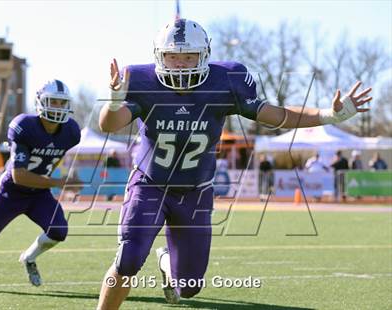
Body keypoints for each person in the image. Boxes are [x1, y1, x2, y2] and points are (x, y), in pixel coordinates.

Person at [96, 18, 372, 309]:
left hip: (195, 191)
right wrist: (113, 103)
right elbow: (110, 125)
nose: (180, 64)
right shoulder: (139, 80)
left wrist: (327, 115)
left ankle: (166, 262)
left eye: (189, 56)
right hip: (150, 185)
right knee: (127, 261)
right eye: (172, 56)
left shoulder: (226, 80)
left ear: (204, 55)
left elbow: (276, 115)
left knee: (188, 287)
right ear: (159, 56)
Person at [0, 79, 81, 287]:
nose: (57, 108)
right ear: (40, 102)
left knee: (59, 231)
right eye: (53, 102)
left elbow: (54, 157)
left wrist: (54, 179)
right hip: (11, 193)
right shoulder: (24, 126)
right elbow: (19, 176)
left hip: (39, 195)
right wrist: (58, 181)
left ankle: (29, 258)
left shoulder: (71, 132)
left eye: (61, 103)